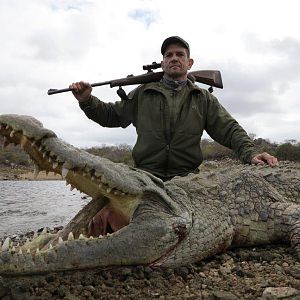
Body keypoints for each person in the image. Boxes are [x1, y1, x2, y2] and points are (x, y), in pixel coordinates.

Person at [70, 36, 278, 182]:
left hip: (187, 178)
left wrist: (251, 153)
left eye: (180, 54)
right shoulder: (143, 93)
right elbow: (110, 116)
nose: (174, 58)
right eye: (169, 55)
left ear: (190, 62)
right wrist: (87, 100)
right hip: (145, 177)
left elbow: (230, 130)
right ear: (162, 63)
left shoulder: (203, 97)